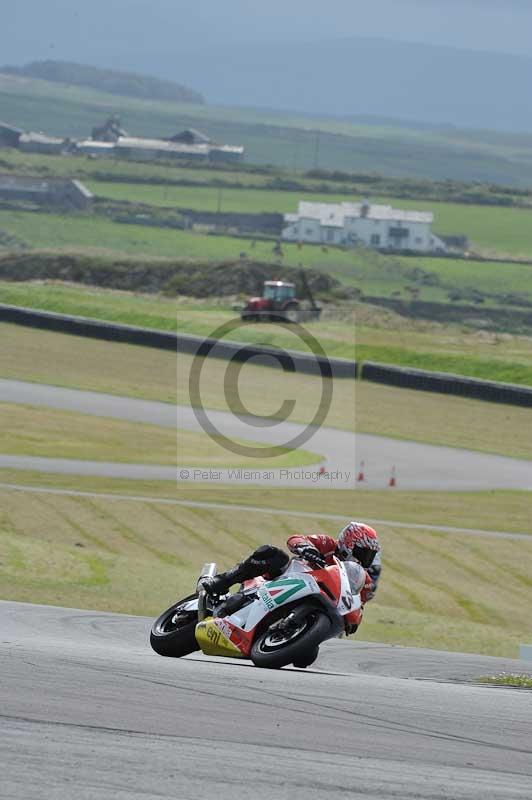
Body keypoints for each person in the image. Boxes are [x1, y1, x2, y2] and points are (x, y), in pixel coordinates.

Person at [200, 522, 381, 627]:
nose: (365, 559)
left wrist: (354, 619)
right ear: (349, 543)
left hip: (318, 603)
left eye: (369, 556)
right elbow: (296, 539)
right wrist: (307, 548)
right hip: (289, 578)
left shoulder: (361, 577)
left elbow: (359, 602)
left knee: (306, 658)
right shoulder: (328, 544)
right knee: (272, 554)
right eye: (362, 552)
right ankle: (223, 580)